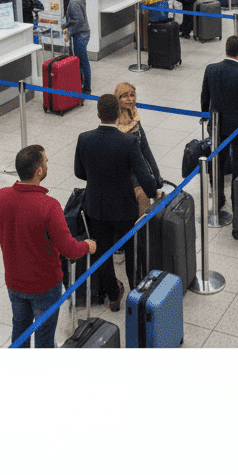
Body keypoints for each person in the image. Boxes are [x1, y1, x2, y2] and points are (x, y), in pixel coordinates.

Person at [0, 145, 96, 347]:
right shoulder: (49, 206)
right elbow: (68, 249)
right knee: (44, 336)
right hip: (45, 285)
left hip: (14, 281)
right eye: (45, 161)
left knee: (20, 328)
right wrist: (87, 246)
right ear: (38, 171)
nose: (47, 164)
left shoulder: (0, 196)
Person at [74, 94, 157, 312]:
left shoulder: (84, 138)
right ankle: (136, 296)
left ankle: (113, 295)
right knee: (132, 253)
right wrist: (154, 192)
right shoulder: (129, 142)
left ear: (99, 113)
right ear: (118, 113)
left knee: (103, 253)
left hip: (97, 207)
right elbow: (143, 174)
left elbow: (79, 172)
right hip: (125, 209)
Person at [201, 35, 238, 211]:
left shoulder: (211, 69)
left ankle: (218, 198)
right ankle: (237, 199)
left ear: (226, 49)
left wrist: (207, 117)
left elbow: (205, 98)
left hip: (217, 125)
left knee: (218, 162)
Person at [114, 82, 163, 218]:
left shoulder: (134, 116)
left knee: (144, 216)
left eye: (132, 95)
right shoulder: (113, 123)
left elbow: (145, 147)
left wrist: (156, 173)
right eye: (125, 96)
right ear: (118, 98)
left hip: (139, 174)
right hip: (123, 178)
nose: (130, 99)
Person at [60, 0, 91, 94]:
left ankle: (86, 88)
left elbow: (78, 21)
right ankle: (84, 84)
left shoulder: (73, 2)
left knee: (82, 62)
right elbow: (76, 19)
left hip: (80, 35)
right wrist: (65, 25)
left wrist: (69, 31)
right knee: (83, 61)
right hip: (84, 33)